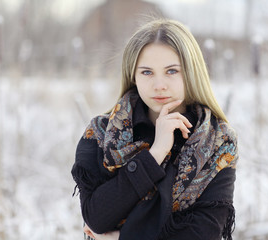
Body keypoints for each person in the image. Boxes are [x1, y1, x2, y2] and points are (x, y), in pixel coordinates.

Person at [71, 18, 239, 240]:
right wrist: (155, 154)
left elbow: (203, 233)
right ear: (133, 75)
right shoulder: (101, 133)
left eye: (171, 71)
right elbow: (97, 218)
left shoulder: (217, 141)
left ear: (191, 72)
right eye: (147, 72)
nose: (159, 85)